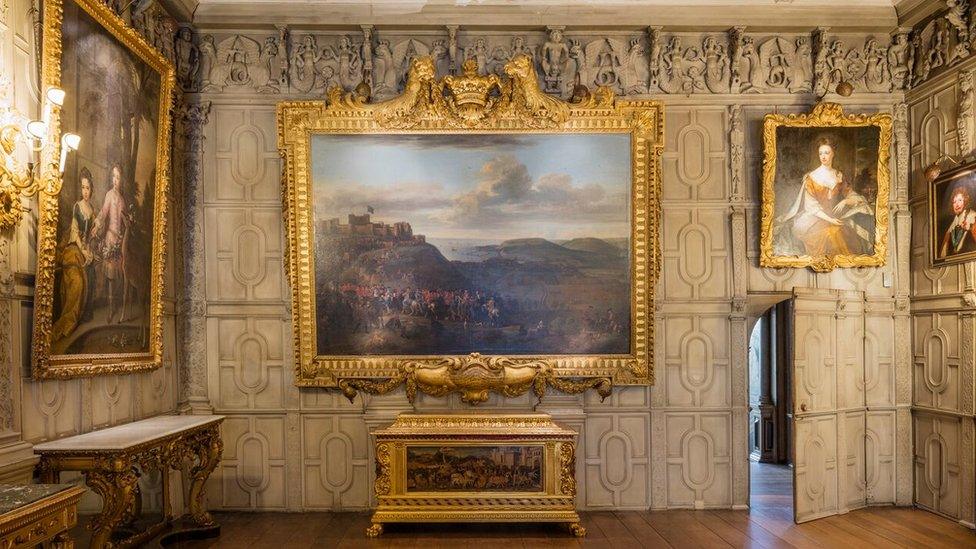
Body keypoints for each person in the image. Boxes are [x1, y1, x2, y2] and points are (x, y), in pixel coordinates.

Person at [775, 138, 874, 256]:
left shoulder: (839, 175)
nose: (823, 156)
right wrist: (830, 220)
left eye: (827, 153)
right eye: (821, 153)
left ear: (833, 154)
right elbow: (811, 207)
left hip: (835, 215)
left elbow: (851, 194)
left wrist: (846, 201)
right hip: (815, 218)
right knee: (832, 234)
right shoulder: (811, 177)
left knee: (846, 234)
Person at [51, 168, 97, 342]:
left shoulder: (92, 209)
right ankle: (67, 321)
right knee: (77, 281)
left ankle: (85, 313)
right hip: (73, 248)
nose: (85, 191)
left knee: (92, 272)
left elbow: (93, 232)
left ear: (92, 189)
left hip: (85, 248)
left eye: (88, 188)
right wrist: (83, 250)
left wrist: (90, 249)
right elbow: (76, 232)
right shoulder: (77, 206)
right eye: (83, 187)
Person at [91, 164, 129, 324]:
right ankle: (110, 309)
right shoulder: (109, 195)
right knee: (111, 277)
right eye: (113, 176)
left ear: (121, 180)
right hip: (110, 238)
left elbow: (125, 221)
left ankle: (115, 306)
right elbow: (103, 212)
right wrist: (96, 226)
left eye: (118, 177)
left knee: (119, 276)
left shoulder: (122, 199)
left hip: (119, 241)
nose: (115, 180)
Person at [939, 185, 976, 257]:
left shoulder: (972, 216)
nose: (957, 204)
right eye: (954, 202)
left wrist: (970, 228)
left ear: (965, 201)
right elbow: (944, 248)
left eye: (960, 200)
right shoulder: (955, 221)